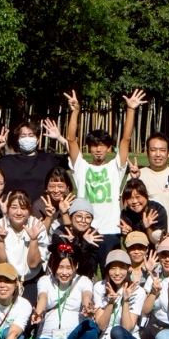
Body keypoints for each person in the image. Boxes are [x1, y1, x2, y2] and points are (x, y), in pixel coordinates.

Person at [52, 88, 146, 252]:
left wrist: (131, 110)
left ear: (109, 148)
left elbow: (126, 139)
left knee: (112, 274)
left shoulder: (115, 167)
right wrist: (75, 111)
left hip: (111, 231)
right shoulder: (81, 166)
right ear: (89, 148)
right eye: (94, 146)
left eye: (102, 146)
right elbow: (71, 140)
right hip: (84, 230)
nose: (98, 150)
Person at [23, 248, 96, 339]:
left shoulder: (84, 281)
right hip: (48, 336)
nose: (64, 272)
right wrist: (39, 311)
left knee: (90, 328)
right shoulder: (45, 280)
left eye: (69, 267)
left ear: (76, 266)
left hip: (72, 338)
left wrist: (87, 306)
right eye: (60, 267)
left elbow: (87, 296)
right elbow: (43, 297)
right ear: (53, 267)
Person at [86, 250, 144, 339]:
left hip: (127, 338)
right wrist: (110, 303)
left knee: (118, 331)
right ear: (107, 269)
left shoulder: (138, 291)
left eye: (122, 268)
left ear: (128, 269)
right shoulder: (99, 287)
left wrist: (126, 301)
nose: (117, 273)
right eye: (113, 268)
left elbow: (127, 327)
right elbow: (101, 325)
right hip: (106, 337)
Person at [0, 118, 67, 205]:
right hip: (14, 212)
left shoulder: (48, 159)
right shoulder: (6, 161)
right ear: (18, 140)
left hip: (43, 211)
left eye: (31, 135)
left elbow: (77, 158)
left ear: (38, 140)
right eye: (23, 135)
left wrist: (59, 138)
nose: (27, 138)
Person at [133, 132, 169, 229]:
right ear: (147, 152)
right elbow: (126, 206)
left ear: (168, 153)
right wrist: (134, 180)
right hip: (145, 235)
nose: (158, 154)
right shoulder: (137, 174)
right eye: (153, 150)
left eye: (162, 150)